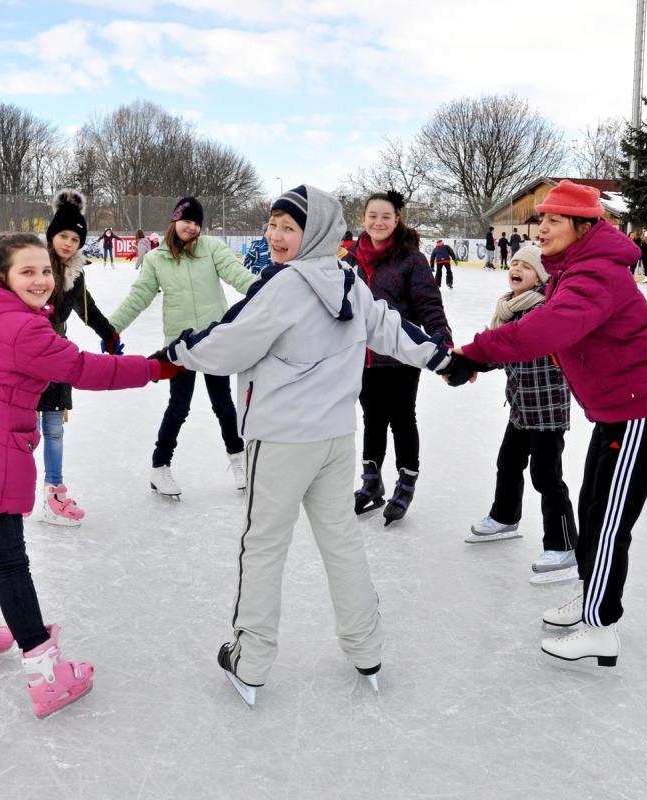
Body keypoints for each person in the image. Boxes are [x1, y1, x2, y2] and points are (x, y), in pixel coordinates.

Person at [153, 185, 473, 705]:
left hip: (280, 440)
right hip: (332, 438)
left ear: (316, 232)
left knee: (262, 547)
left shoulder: (283, 286)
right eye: (273, 224)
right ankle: (366, 649)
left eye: (289, 227)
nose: (275, 236)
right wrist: (442, 360)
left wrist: (178, 349)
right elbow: (392, 329)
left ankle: (250, 661)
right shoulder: (348, 279)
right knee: (342, 542)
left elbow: (229, 343)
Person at [0, 232, 177, 717]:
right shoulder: (24, 329)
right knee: (11, 564)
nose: (41, 280)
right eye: (27, 271)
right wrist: (155, 367)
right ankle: (45, 671)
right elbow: (86, 369)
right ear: (1, 277)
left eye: (46, 271)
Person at [457, 180, 647, 667]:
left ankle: (600, 625)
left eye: (555, 219)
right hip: (617, 408)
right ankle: (593, 596)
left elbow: (545, 329)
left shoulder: (594, 275)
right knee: (594, 507)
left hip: (640, 409)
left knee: (608, 518)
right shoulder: (574, 270)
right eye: (542, 219)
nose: (543, 227)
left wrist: (476, 353)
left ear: (583, 226)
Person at [108, 196, 258, 496]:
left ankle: (238, 459)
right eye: (186, 220)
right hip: (180, 346)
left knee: (224, 405)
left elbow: (236, 274)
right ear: (174, 221)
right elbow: (139, 297)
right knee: (179, 407)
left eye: (196, 222)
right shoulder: (155, 259)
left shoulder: (212, 248)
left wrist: (266, 290)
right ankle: (160, 467)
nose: (191, 227)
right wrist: (111, 328)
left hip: (214, 341)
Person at [466, 245, 578, 582]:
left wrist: (473, 359)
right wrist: (471, 362)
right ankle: (505, 516)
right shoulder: (510, 307)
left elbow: (514, 345)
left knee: (546, 476)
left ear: (541, 276)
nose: (516, 269)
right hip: (520, 405)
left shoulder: (544, 309)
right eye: (513, 263)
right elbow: (500, 350)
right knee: (508, 463)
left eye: (525, 266)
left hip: (547, 407)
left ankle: (564, 545)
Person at [343, 190, 452, 525]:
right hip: (362, 357)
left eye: (386, 217)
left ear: (397, 220)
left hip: (402, 355)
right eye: (373, 216)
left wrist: (442, 346)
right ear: (364, 218)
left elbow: (429, 304)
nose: (378, 222)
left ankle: (406, 482)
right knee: (372, 418)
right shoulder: (348, 261)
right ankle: (371, 483)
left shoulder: (411, 259)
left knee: (403, 418)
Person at [37, 190, 123, 526]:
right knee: (23, 430)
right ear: (51, 236)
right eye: (63, 236)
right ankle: (8, 489)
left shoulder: (76, 273)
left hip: (57, 355)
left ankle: (52, 493)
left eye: (75, 238)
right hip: (25, 355)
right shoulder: (32, 264)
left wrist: (110, 334)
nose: (69, 243)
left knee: (55, 429)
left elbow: (88, 310)